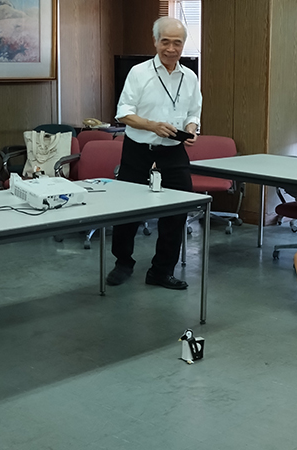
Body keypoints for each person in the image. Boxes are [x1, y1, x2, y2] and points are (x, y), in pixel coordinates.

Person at [106, 17, 202, 289]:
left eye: (177, 43)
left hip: (174, 152)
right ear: (155, 42)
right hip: (139, 149)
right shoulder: (139, 73)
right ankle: (123, 262)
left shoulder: (190, 77)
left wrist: (191, 128)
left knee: (177, 212)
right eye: (165, 42)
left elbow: (193, 112)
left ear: (183, 45)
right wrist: (152, 126)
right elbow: (123, 113)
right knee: (128, 211)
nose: (171, 49)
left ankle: (161, 271)